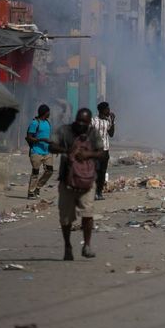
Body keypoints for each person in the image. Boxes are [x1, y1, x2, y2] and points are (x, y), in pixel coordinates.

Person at [49, 108, 104, 260]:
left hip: (87, 181)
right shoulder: (64, 131)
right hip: (67, 181)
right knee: (66, 218)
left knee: (88, 214)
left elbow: (101, 152)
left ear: (89, 122)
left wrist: (88, 154)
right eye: (79, 120)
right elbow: (51, 146)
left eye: (84, 122)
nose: (80, 124)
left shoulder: (93, 133)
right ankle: (67, 246)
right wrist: (67, 151)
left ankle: (87, 245)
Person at [25, 104, 53, 199]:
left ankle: (38, 187)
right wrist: (42, 140)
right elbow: (29, 137)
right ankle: (31, 192)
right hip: (36, 151)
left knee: (49, 171)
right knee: (35, 172)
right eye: (48, 111)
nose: (50, 113)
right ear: (45, 113)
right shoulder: (35, 123)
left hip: (47, 151)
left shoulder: (48, 123)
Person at [91, 101, 115, 200]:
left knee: (102, 172)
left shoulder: (108, 121)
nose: (109, 110)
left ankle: (99, 192)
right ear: (102, 110)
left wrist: (113, 121)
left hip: (105, 150)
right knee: (96, 171)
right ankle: (94, 192)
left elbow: (111, 134)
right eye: (107, 109)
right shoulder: (93, 121)